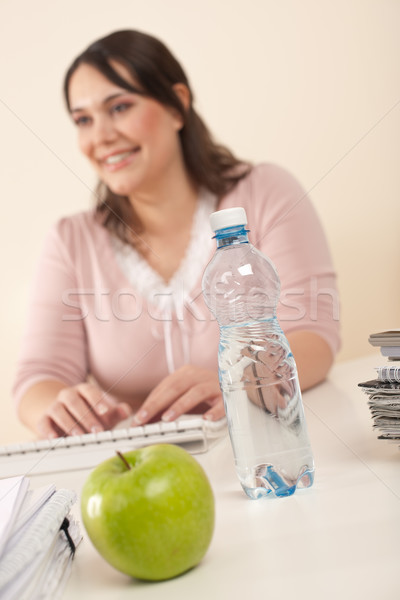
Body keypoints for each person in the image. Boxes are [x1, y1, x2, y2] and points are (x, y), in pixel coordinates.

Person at [13, 30, 340, 439]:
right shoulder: (71, 240)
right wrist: (57, 406)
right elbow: (39, 378)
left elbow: (316, 337)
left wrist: (238, 381)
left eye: (119, 107)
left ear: (177, 106)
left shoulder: (265, 193)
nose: (100, 137)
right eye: (83, 119)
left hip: (270, 447)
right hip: (141, 471)